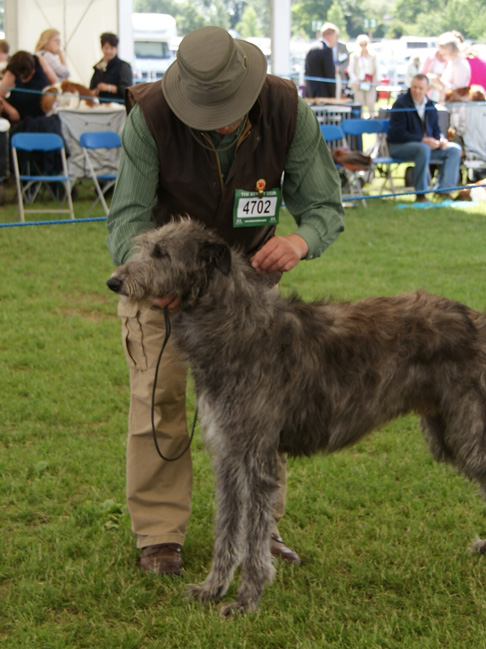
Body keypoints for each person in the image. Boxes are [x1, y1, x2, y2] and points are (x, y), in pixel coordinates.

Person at [106, 26, 345, 575]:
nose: (218, 119)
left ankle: (261, 527)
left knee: (261, 415)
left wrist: (299, 240)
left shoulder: (288, 108)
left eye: (228, 108)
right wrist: (157, 280)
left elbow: (325, 207)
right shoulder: (149, 115)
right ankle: (160, 535)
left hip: (251, 300)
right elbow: (126, 223)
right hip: (165, 289)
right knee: (158, 403)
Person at [387, 73, 462, 202]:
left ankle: (444, 191)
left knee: (454, 149)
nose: (416, 91)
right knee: (423, 149)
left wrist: (441, 140)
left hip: (426, 148)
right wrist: (422, 140)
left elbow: (436, 130)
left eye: (420, 88)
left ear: (427, 89)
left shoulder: (430, 106)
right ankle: (421, 194)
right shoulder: (400, 104)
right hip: (400, 147)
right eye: (414, 87)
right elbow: (397, 133)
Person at [0, 50, 58, 124]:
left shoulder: (39, 60)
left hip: (43, 115)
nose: (24, 80)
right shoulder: (12, 72)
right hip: (22, 120)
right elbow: (0, 95)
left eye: (27, 76)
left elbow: (55, 82)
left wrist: (50, 102)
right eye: (21, 78)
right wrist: (12, 111)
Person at [90, 32, 132, 102]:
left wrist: (109, 88)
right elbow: (91, 87)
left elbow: (128, 91)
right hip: (100, 107)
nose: (109, 51)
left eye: (112, 48)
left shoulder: (124, 66)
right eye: (106, 48)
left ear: (116, 48)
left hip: (118, 109)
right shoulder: (98, 67)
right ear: (101, 48)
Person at [304, 23, 338, 99]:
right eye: (336, 37)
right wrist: (333, 94)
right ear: (330, 36)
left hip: (310, 91)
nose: (336, 40)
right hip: (323, 94)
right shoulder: (326, 50)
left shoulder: (311, 48)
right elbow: (329, 74)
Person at [348, 35, 378, 117]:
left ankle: (372, 118)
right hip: (359, 82)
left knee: (370, 102)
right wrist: (355, 80)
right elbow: (351, 70)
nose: (363, 47)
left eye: (365, 44)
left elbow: (376, 69)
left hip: (370, 82)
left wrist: (375, 81)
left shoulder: (373, 56)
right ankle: (359, 119)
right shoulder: (354, 56)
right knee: (359, 102)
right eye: (361, 44)